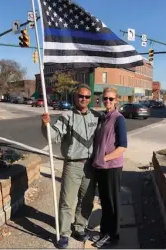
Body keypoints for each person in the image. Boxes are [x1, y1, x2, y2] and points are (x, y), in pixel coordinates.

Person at [41, 84, 101, 249]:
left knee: (87, 200)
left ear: (90, 99)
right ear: (75, 97)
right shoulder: (66, 116)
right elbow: (54, 136)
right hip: (73, 165)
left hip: (90, 166)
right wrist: (45, 125)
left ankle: (79, 227)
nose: (84, 99)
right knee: (67, 201)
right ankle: (64, 233)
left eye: (87, 97)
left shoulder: (95, 116)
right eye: (81, 96)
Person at [91, 87, 128, 248]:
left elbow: (123, 146)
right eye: (105, 98)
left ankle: (113, 235)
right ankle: (104, 233)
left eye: (110, 99)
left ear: (116, 101)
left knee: (112, 202)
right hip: (101, 167)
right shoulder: (103, 117)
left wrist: (104, 158)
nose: (107, 101)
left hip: (112, 167)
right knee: (104, 201)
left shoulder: (119, 119)